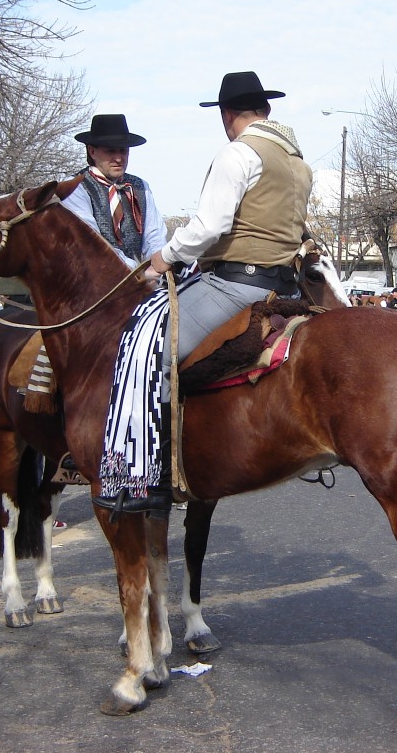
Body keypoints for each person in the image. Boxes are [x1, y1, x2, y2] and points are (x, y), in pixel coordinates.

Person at [126, 71, 310, 513]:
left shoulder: (238, 153)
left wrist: (163, 259)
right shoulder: (299, 163)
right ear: (265, 110)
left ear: (228, 115)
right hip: (284, 288)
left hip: (234, 286)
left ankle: (152, 471)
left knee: (143, 345)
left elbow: (210, 227)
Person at [62, 114, 168, 267]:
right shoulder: (75, 187)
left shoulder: (140, 187)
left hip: (140, 281)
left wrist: (160, 263)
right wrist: (136, 272)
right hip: (93, 283)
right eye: (111, 151)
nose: (119, 158)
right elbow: (92, 242)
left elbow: (154, 236)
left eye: (123, 151)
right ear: (92, 151)